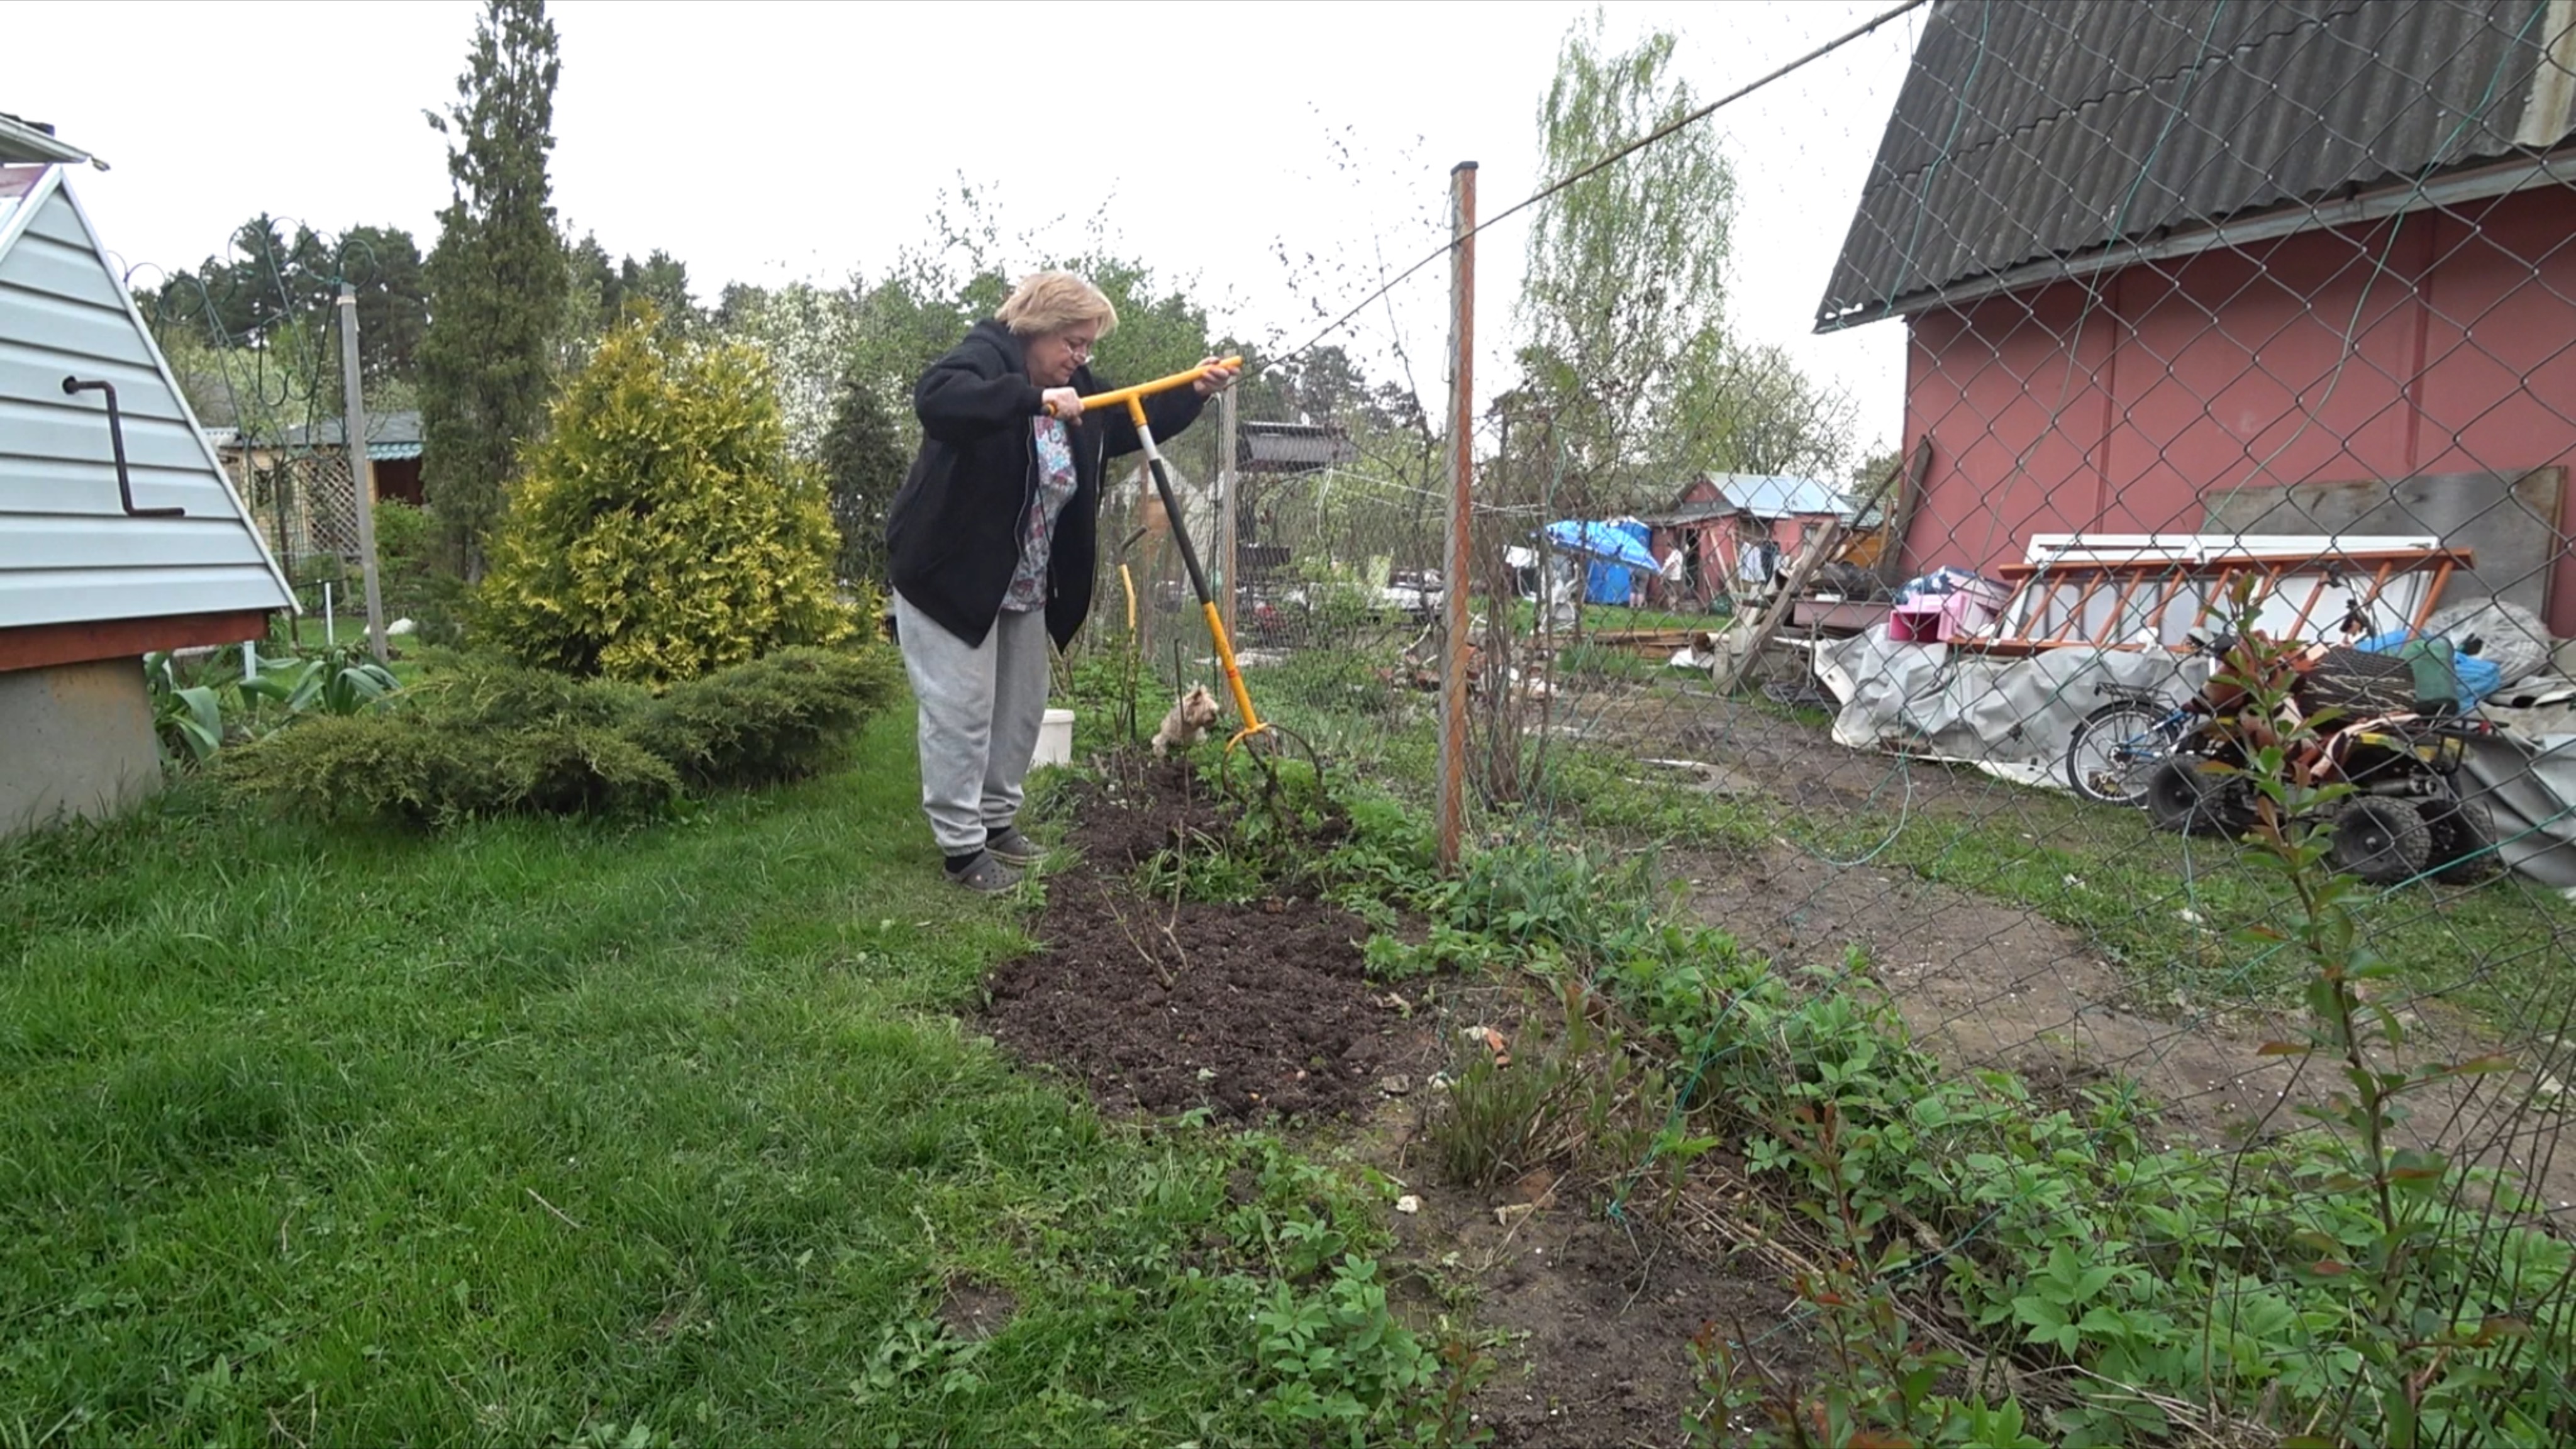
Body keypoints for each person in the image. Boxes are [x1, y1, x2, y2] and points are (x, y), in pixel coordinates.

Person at [884, 270, 1238, 892]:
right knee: (961, 710)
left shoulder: (1077, 385)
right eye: (1072, 342)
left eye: (1088, 345)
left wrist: (1193, 391)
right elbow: (938, 400)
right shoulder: (985, 357)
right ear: (1036, 327)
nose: (1080, 356)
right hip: (949, 573)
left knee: (1021, 709)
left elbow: (1124, 419)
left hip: (1023, 579)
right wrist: (1032, 400)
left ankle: (996, 821)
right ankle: (962, 849)